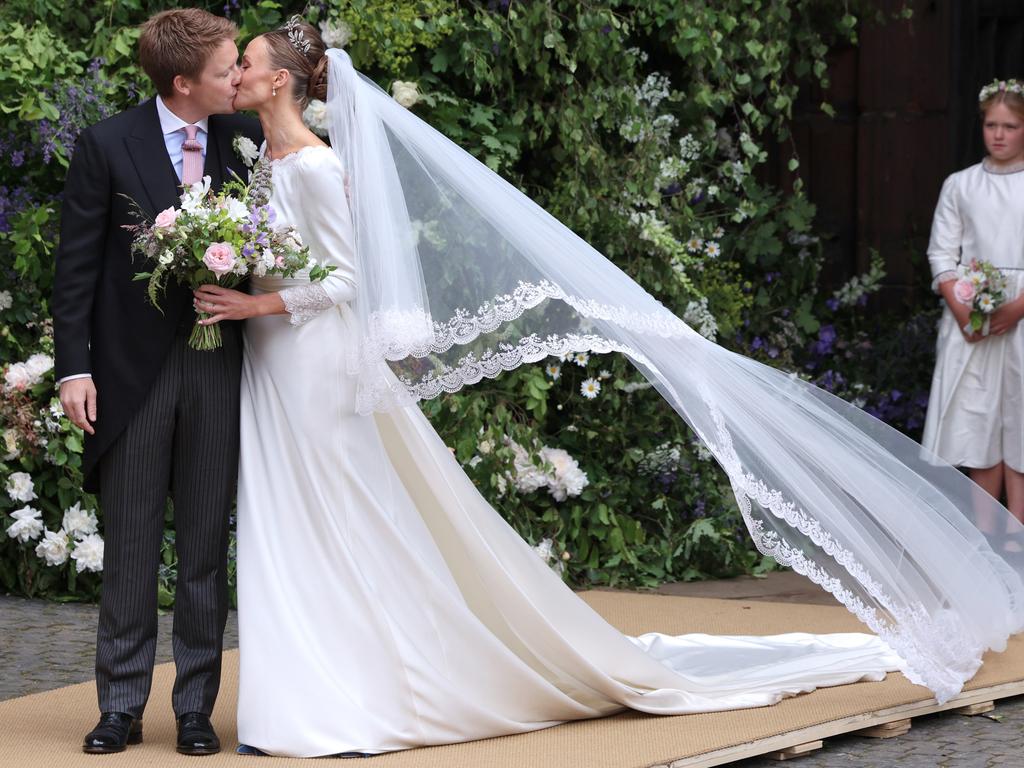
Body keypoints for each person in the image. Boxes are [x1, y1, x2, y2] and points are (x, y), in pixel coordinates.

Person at [193, 20, 1024, 757]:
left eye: (247, 65)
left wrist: (253, 299)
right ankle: (309, 685)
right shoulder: (260, 160)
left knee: (335, 512)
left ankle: (343, 692)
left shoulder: (310, 165)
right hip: (271, 356)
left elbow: (346, 280)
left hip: (309, 358)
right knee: (291, 514)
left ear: (282, 82)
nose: (235, 76)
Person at [51, 9, 261, 756]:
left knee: (205, 548)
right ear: (183, 82)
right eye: (227, 68)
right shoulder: (105, 144)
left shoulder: (250, 143)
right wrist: (73, 368)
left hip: (219, 366)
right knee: (132, 548)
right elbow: (74, 267)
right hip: (127, 377)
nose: (238, 76)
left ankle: (197, 708)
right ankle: (121, 706)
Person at [922, 79, 1024, 540]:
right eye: (991, 125)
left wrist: (1018, 307)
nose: (999, 135)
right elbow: (941, 254)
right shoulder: (960, 185)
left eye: (1010, 126)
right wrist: (965, 313)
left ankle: (1019, 536)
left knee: (1019, 421)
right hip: (972, 316)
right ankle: (988, 541)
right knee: (980, 421)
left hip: (1021, 317)